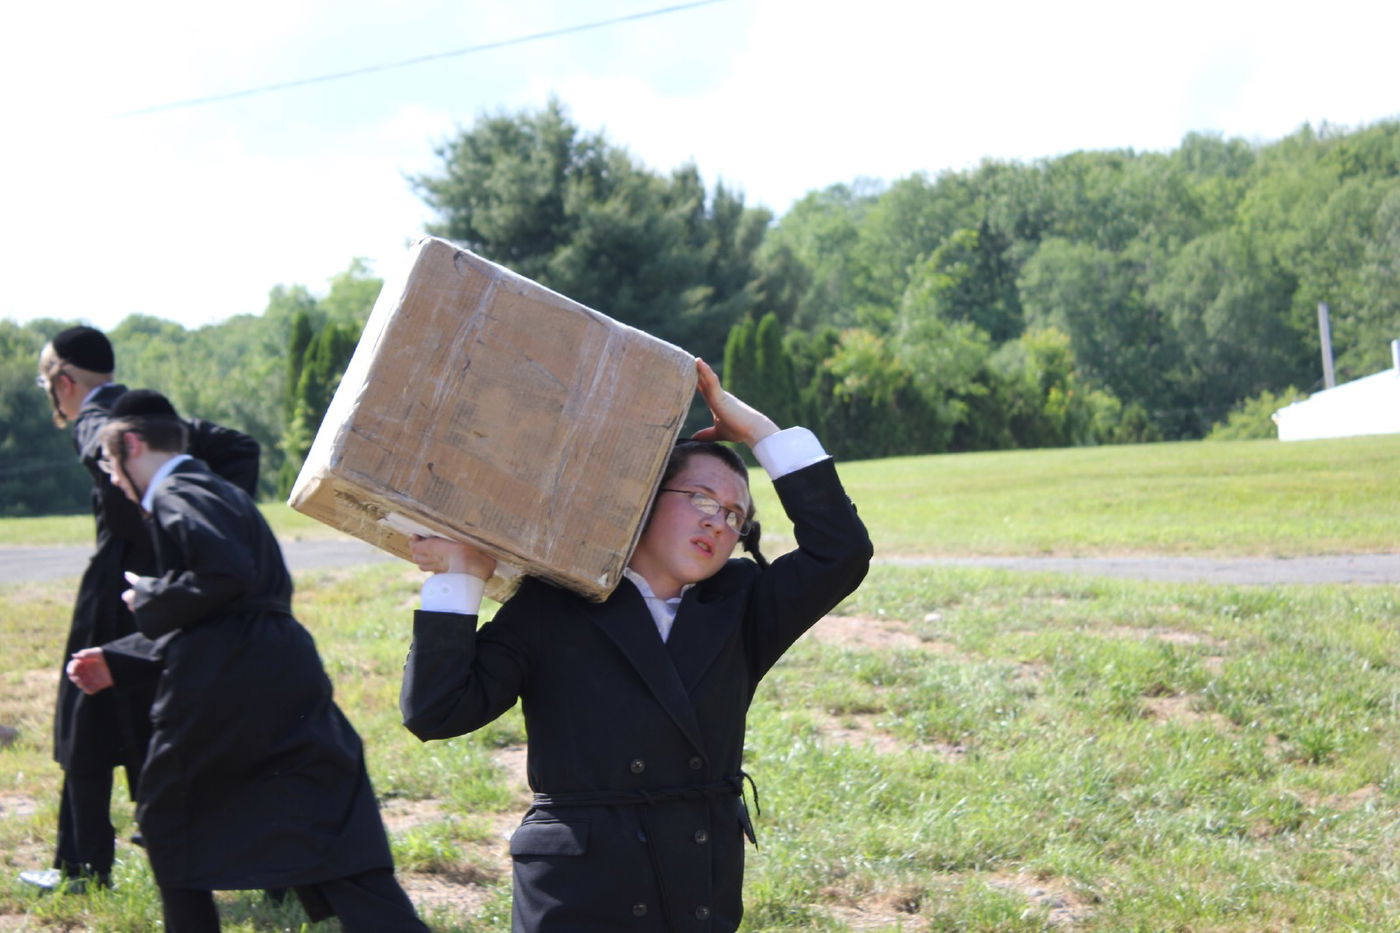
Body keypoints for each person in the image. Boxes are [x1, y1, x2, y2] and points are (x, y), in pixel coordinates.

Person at [400, 358, 873, 931]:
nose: (718, 523)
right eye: (700, 499)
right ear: (643, 499)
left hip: (696, 880)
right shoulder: (553, 604)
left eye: (734, 516)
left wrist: (760, 434)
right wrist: (461, 577)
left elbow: (840, 552)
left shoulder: (743, 605)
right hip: (580, 891)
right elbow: (436, 709)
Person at [64, 390, 428, 933]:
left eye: (111, 468)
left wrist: (151, 599)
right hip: (279, 668)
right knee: (322, 821)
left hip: (222, 685)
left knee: (170, 822)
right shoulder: (221, 492)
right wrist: (124, 657)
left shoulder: (178, 490)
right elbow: (233, 605)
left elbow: (223, 575)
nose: (114, 482)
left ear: (133, 445)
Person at [22, 326, 259, 893]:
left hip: (113, 597)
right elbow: (241, 447)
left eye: (46, 382)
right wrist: (197, 528)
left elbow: (97, 439)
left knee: (85, 728)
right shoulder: (155, 419)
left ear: (64, 381)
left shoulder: (100, 419)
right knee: (161, 721)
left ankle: (81, 869)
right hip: (169, 592)